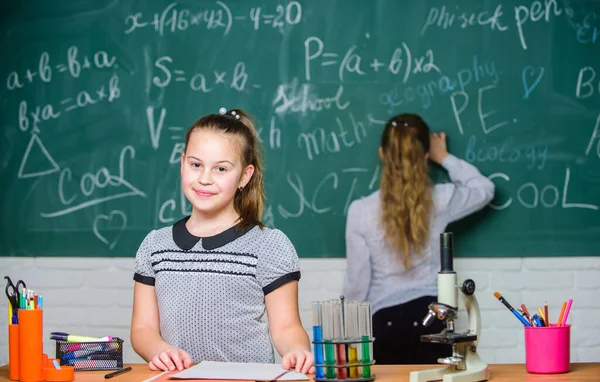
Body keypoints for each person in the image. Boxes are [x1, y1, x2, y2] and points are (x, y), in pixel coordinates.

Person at [131, 108, 314, 373]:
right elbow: (142, 328)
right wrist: (159, 350)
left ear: (244, 176)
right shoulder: (154, 246)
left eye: (221, 169)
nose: (204, 178)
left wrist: (297, 350)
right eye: (196, 165)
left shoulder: (268, 245)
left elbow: (287, 327)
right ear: (182, 163)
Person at [343, 113, 495, 364]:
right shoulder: (440, 200)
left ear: (382, 154)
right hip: (432, 321)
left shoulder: (360, 211)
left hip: (383, 325)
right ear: (425, 155)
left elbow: (357, 285)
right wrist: (443, 156)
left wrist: (348, 335)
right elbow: (484, 189)